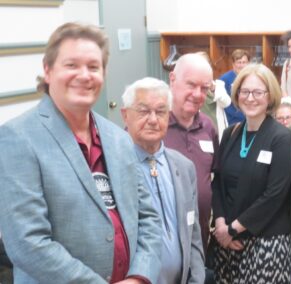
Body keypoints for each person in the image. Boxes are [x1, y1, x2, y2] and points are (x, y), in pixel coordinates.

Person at [0, 23, 161, 284]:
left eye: (93, 67)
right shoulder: (17, 138)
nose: (84, 75)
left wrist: (140, 277)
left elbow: (149, 218)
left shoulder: (119, 138)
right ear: (48, 70)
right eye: (72, 65)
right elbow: (28, 244)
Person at [212, 63, 291, 283]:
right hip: (227, 244)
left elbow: (275, 195)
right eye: (245, 91)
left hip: (267, 245)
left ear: (270, 96)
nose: (250, 98)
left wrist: (232, 229)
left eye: (258, 92)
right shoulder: (231, 133)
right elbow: (218, 182)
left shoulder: (281, 138)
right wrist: (221, 226)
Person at [121, 77, 205, 284]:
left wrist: (197, 279)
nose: (152, 119)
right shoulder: (114, 167)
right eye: (143, 111)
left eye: (160, 112)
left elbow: (193, 234)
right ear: (125, 115)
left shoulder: (184, 167)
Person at [164, 53, 219, 256]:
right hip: (163, 247)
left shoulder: (207, 126)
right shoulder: (151, 126)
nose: (198, 94)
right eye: (191, 85)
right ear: (172, 79)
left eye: (204, 88)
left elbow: (216, 178)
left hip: (199, 242)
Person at [197, 51, 231, 141]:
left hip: (217, 130)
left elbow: (226, 103)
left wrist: (213, 89)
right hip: (199, 130)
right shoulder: (192, 88)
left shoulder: (218, 85)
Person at [220, 49, 250, 125]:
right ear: (233, 64)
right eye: (239, 62)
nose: (242, 65)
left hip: (250, 119)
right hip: (232, 121)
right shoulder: (224, 79)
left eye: (244, 62)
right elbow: (224, 103)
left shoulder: (252, 77)